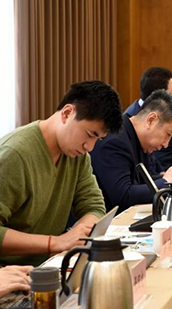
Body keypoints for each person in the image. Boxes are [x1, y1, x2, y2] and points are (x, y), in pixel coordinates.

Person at [0, 81, 122, 266]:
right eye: (90, 134)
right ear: (67, 113)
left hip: (51, 264)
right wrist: (55, 242)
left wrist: (82, 231)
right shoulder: (15, 154)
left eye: (98, 139)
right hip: (10, 272)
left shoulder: (77, 155)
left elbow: (94, 205)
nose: (89, 147)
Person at [91, 90, 172, 214]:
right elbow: (123, 196)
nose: (166, 144)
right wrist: (166, 181)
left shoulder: (141, 140)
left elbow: (147, 179)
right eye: (168, 134)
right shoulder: (114, 140)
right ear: (151, 120)